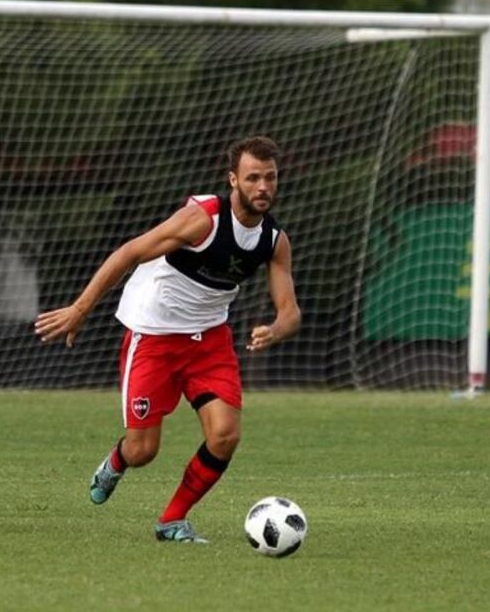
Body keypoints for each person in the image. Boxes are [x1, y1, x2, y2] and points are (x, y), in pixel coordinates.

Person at [34, 135, 301, 544]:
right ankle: (117, 461)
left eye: (270, 178)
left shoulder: (273, 240)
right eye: (253, 178)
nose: (263, 187)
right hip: (154, 335)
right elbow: (129, 252)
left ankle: (172, 519)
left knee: (225, 435)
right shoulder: (202, 220)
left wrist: (276, 329)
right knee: (143, 451)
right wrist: (79, 309)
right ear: (233, 180)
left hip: (209, 339)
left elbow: (290, 310)